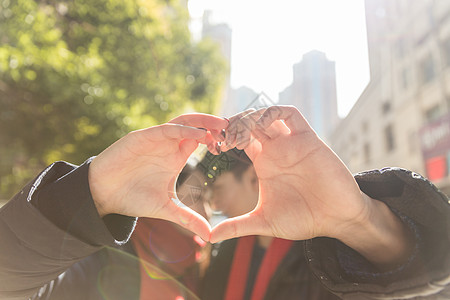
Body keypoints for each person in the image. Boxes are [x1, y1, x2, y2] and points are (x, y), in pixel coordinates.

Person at [0, 107, 449, 299]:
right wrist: (87, 194)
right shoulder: (212, 257)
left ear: (255, 173)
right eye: (192, 191)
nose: (206, 204)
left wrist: (359, 220)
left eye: (213, 189)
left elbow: (429, 286)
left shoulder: (327, 255)